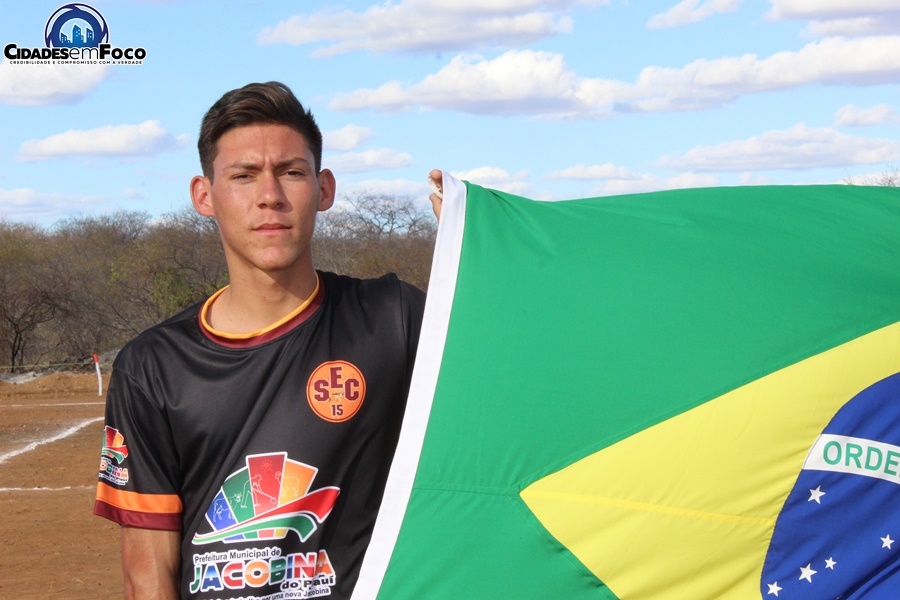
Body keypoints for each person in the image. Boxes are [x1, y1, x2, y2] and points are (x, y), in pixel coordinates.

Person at [94, 81, 438, 599]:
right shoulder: (152, 366)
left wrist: (481, 251)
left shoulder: (394, 318)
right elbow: (148, 567)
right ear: (204, 195)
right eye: (244, 175)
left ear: (324, 189)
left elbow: (512, 386)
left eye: (291, 172)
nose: (270, 196)